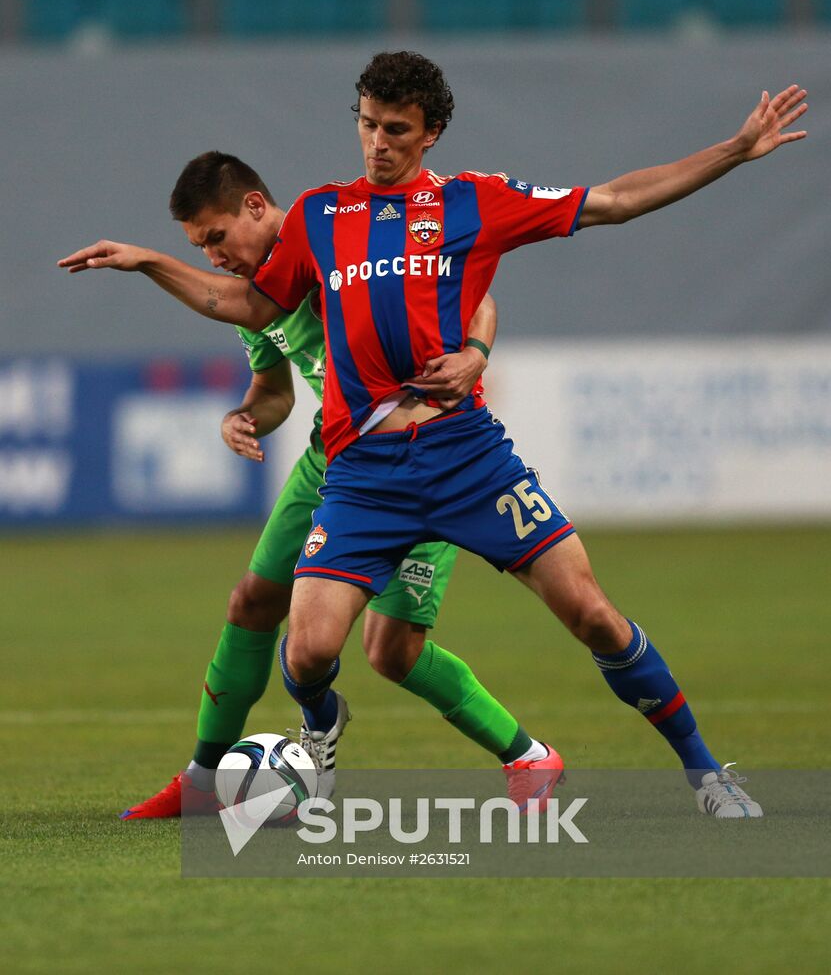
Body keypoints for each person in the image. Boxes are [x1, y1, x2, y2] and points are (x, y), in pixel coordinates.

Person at [61, 52, 808, 818]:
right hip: (363, 473)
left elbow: (612, 200)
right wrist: (150, 262)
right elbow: (249, 305)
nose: (376, 143)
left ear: (430, 133)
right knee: (308, 651)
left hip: (464, 457)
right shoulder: (322, 214)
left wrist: (731, 151)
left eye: (394, 129)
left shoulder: (474, 203)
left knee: (591, 614)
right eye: (365, 124)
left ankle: (706, 773)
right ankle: (318, 733)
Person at [71, 152, 563, 820]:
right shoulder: (260, 291)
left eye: (216, 238)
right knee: (251, 602)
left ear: (253, 206)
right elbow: (273, 390)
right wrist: (245, 416)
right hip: (330, 465)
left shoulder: (338, 236)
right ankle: (200, 780)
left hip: (423, 458)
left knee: (392, 651)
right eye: (200, 248)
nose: (215, 257)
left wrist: (474, 355)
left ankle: (526, 756)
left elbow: (477, 297)